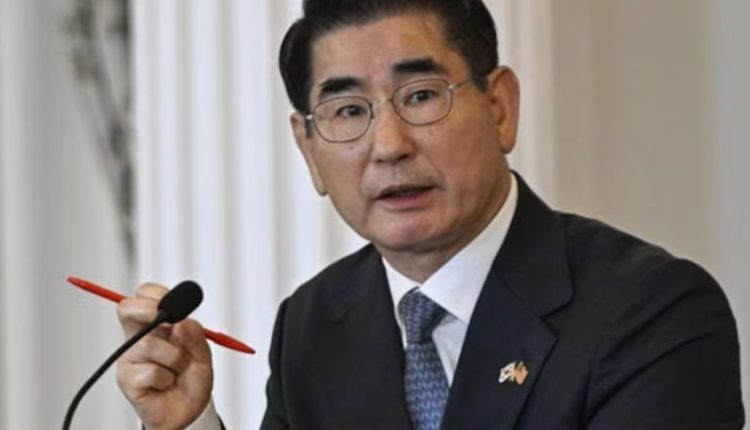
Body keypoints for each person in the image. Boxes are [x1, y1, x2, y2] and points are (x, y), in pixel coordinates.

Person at [115, 0, 745, 429]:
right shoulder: (314, 324)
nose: (388, 145)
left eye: (420, 96)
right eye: (348, 111)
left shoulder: (651, 311)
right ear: (308, 150)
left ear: (500, 108)